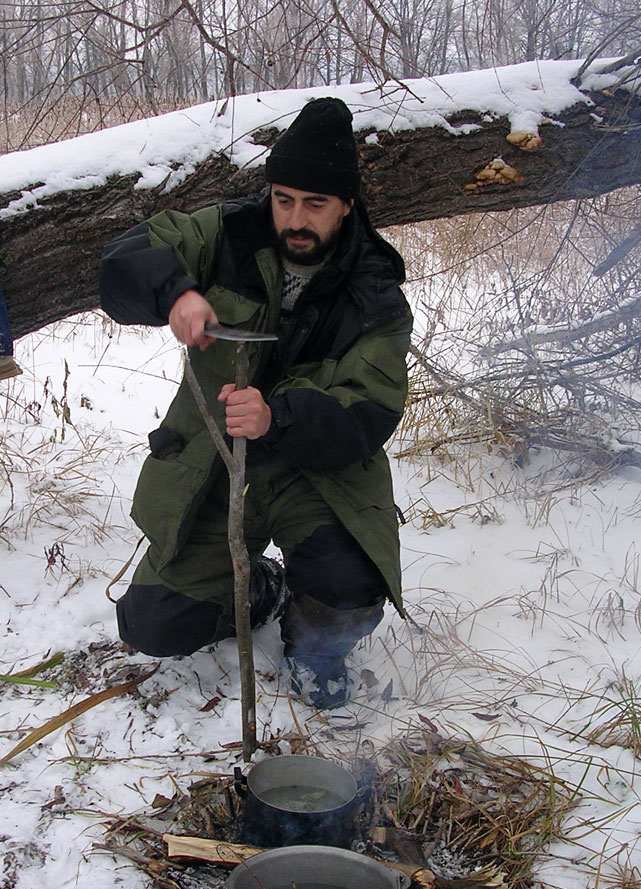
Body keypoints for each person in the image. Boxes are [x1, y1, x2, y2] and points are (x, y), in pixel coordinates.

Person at [99, 97, 413, 709]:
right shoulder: (228, 234)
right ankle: (263, 588)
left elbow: (368, 412)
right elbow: (125, 258)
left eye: (315, 204)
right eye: (283, 199)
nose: (295, 219)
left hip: (315, 476)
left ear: (347, 205)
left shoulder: (374, 292)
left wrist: (278, 418)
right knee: (153, 623)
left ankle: (312, 643)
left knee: (349, 588)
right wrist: (176, 291)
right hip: (217, 467)